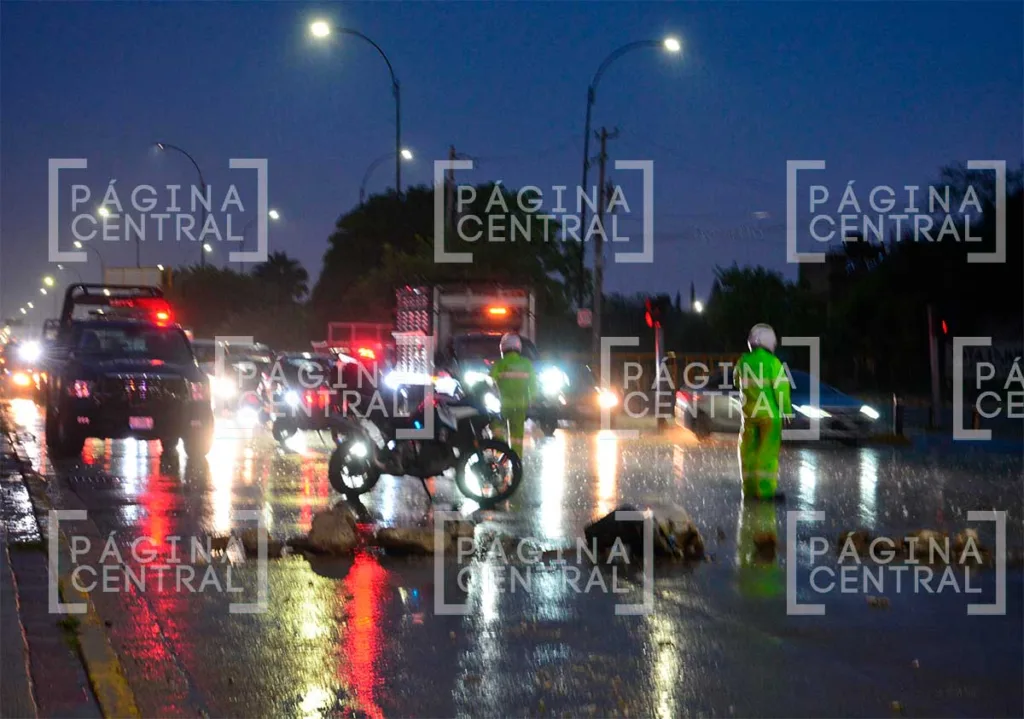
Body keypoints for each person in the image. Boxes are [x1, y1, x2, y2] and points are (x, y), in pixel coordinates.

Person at [734, 323, 791, 500]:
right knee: (767, 453)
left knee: (748, 451)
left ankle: (749, 490)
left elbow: (736, 382)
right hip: (769, 416)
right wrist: (787, 411)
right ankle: (765, 492)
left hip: (749, 416)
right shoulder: (773, 363)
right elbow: (781, 389)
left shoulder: (743, 361)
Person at [489, 332, 535, 455]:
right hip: (520, 406)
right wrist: (532, 402)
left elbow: (489, 383)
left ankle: (499, 458)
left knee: (497, 430)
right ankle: (516, 461)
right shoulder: (527, 364)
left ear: (503, 348)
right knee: (517, 437)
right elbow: (534, 387)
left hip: (502, 406)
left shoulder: (500, 364)